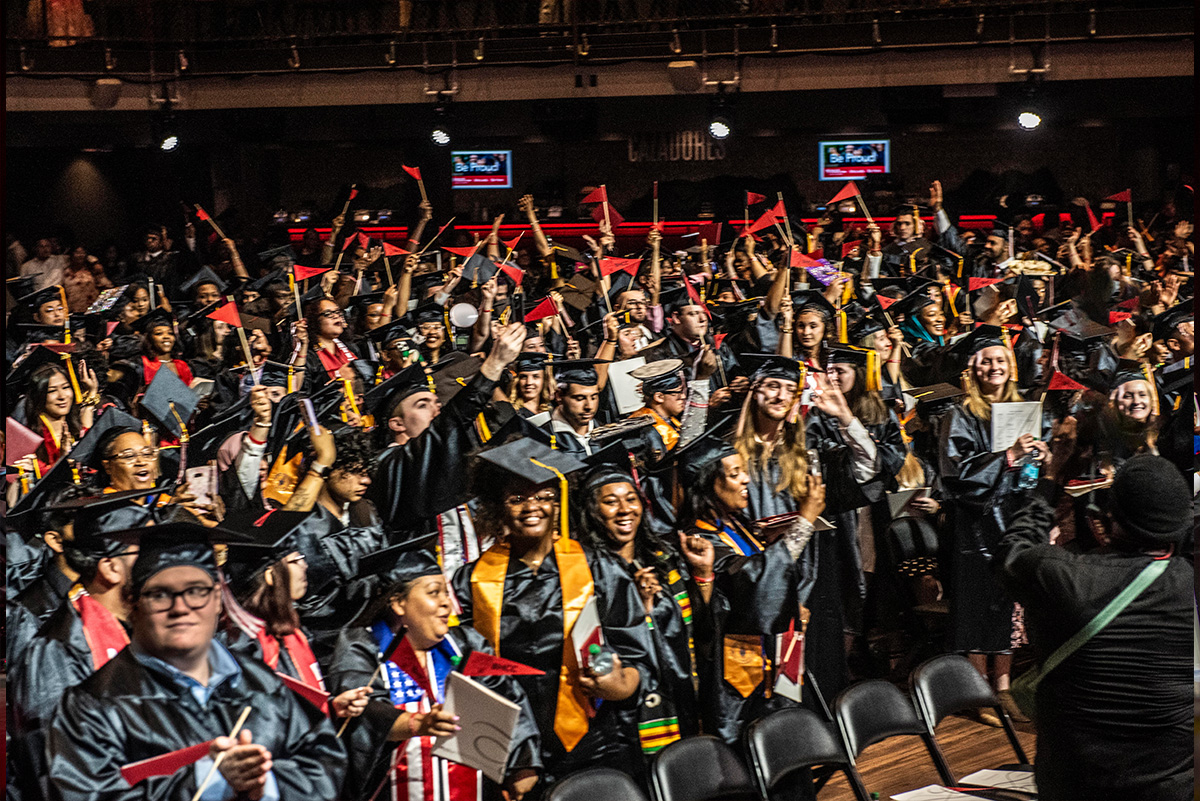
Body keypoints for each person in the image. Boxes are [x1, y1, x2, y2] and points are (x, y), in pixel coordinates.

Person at [45, 523, 346, 801]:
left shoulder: (260, 681)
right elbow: (85, 793)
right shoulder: (93, 705)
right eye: (160, 594)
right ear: (133, 604)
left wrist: (266, 783)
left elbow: (322, 761)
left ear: (217, 598)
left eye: (196, 591)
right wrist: (209, 780)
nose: (181, 608)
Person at [451, 439, 654, 787]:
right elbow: (466, 673)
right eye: (517, 498)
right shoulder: (471, 580)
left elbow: (639, 655)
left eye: (544, 496)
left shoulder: (598, 568)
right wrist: (514, 757)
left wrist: (621, 685)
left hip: (597, 741)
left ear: (559, 501)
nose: (533, 507)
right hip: (512, 749)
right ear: (498, 507)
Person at [996, 446, 1193, 800]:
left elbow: (1013, 548)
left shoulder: (1059, 575)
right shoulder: (1186, 583)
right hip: (1171, 785)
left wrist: (1051, 479)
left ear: (1106, 516)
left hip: (1076, 784)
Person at [329, 549, 542, 801]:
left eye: (446, 592)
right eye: (434, 592)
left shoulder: (465, 646)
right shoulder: (363, 646)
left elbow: (507, 697)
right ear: (398, 603)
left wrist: (522, 765)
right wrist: (418, 724)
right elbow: (366, 715)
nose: (447, 603)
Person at [673, 431, 825, 742]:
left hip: (772, 662)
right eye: (734, 473)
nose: (746, 480)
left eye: (744, 470)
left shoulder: (734, 523)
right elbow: (751, 580)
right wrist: (805, 522)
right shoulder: (699, 539)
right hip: (739, 677)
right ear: (707, 483)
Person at [939, 325, 1041, 723]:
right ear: (972, 369)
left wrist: (1037, 458)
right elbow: (957, 474)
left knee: (1010, 606)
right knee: (980, 605)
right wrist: (1009, 457)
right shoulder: (959, 414)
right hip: (977, 526)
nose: (993, 366)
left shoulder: (1023, 411)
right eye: (986, 360)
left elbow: (1026, 476)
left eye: (1000, 359)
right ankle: (978, 691)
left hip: (1014, 522)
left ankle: (1003, 686)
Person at [575, 463, 713, 748]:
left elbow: (698, 627)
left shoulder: (664, 558)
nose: (624, 509)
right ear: (593, 511)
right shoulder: (585, 571)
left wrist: (703, 574)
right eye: (610, 502)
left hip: (680, 698)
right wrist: (639, 609)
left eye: (631, 498)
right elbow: (590, 642)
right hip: (626, 715)